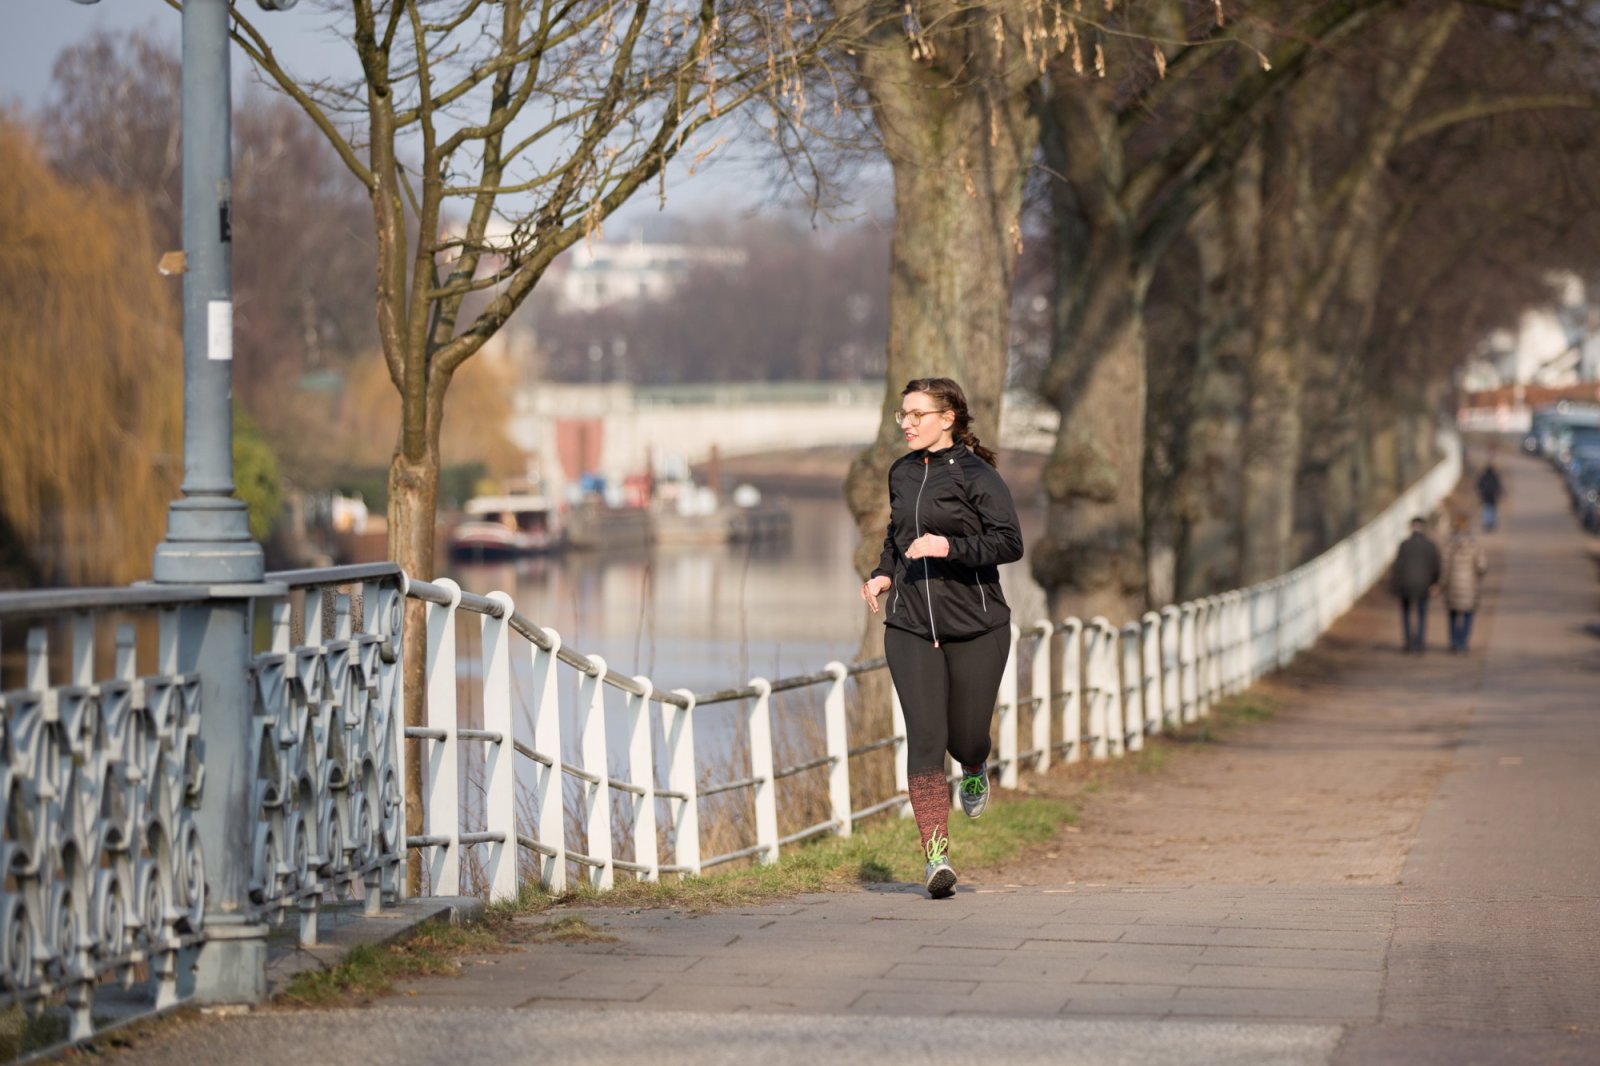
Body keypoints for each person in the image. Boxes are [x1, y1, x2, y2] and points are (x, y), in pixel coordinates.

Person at [859, 377, 1023, 899]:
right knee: (926, 738)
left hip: (976, 625)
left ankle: (974, 764)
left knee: (964, 736)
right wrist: (884, 572)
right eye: (900, 414)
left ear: (946, 418)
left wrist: (949, 546)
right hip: (910, 625)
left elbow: (1009, 542)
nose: (904, 423)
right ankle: (936, 858)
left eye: (915, 414)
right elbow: (896, 533)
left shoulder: (979, 476)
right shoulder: (901, 473)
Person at [1389, 516, 1442, 654]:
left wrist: (1394, 586)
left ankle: (1408, 642)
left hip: (1405, 585)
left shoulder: (1404, 545)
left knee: (1406, 614)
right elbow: (1436, 566)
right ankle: (1420, 643)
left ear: (1411, 528)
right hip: (1424, 585)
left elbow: (1397, 567)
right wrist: (1435, 583)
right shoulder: (1430, 545)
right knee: (1422, 614)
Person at [1441, 514, 1488, 653]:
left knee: (1453, 615)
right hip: (1470, 587)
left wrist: (1442, 583)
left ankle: (1454, 642)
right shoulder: (1475, 546)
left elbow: (1444, 567)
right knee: (1467, 615)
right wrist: (1477, 576)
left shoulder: (1449, 545)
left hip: (1452, 587)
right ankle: (1464, 642)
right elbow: (1482, 566)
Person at [1476, 462, 1503, 533]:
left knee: (1486, 510)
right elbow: (1498, 486)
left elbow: (1479, 485)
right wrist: (1498, 494)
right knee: (1491, 510)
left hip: (1485, 496)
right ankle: (1491, 523)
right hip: (1492, 497)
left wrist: (1480, 492)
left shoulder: (1483, 476)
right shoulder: (1494, 477)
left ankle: (1487, 524)